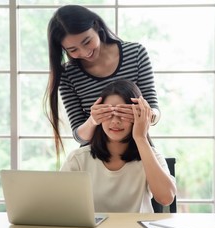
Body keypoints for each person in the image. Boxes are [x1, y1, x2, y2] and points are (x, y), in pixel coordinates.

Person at [43, 4, 161, 157]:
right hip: (95, 157)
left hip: (136, 153)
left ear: (96, 26)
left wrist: (145, 114)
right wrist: (93, 120)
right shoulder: (67, 74)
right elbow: (79, 135)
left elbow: (155, 112)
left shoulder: (136, 54)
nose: (85, 52)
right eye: (73, 50)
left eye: (87, 41)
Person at [60, 80, 175, 213]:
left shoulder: (151, 157)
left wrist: (141, 138)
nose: (115, 121)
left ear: (138, 116)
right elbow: (58, 204)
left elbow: (166, 198)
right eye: (109, 114)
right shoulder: (78, 159)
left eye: (123, 113)